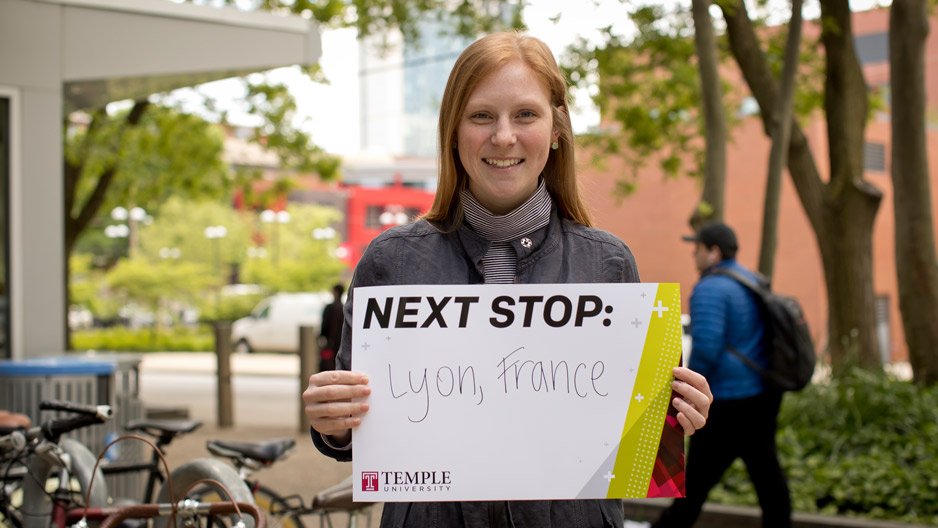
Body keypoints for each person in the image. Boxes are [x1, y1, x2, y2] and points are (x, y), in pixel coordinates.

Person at [303, 31, 714, 528]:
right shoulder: (391, 262)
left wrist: (674, 419)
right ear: (453, 130)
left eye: (525, 114)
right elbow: (353, 434)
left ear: (557, 128)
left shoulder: (609, 265)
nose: (503, 136)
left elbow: (638, 440)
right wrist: (335, 423)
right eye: (481, 116)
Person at [653, 222, 791, 528]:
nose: (694, 255)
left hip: (728, 401)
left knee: (697, 481)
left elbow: (707, 348)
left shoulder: (710, 288)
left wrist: (684, 392)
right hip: (762, 395)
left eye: (698, 249)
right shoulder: (750, 279)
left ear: (713, 252)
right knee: (767, 474)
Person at [319, 283, 344, 372]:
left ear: (335, 292)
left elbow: (324, 325)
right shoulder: (344, 308)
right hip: (341, 343)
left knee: (328, 365)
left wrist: (322, 337)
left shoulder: (330, 308)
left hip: (331, 342)